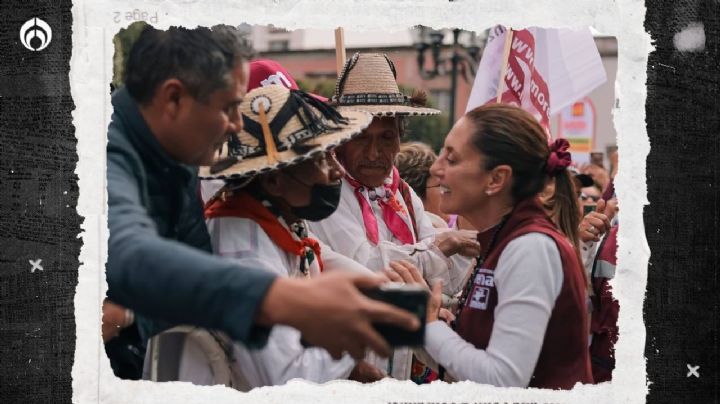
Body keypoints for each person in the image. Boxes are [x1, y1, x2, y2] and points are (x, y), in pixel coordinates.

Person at [105, 25, 419, 378]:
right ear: (174, 99)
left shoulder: (178, 158)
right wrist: (281, 298)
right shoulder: (102, 154)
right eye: (229, 108)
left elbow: (199, 264)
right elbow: (129, 254)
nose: (238, 125)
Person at [308, 52, 480, 381]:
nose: (374, 153)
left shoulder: (400, 192)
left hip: (398, 368)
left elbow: (439, 278)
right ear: (341, 140)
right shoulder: (325, 190)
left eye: (386, 137)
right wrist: (442, 248)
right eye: (361, 137)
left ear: (400, 138)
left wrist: (470, 242)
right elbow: (369, 263)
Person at [423, 104, 593, 389]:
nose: (436, 168)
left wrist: (430, 330)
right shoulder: (507, 238)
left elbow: (504, 378)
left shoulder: (529, 247)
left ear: (496, 179)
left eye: (451, 159)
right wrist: (453, 326)